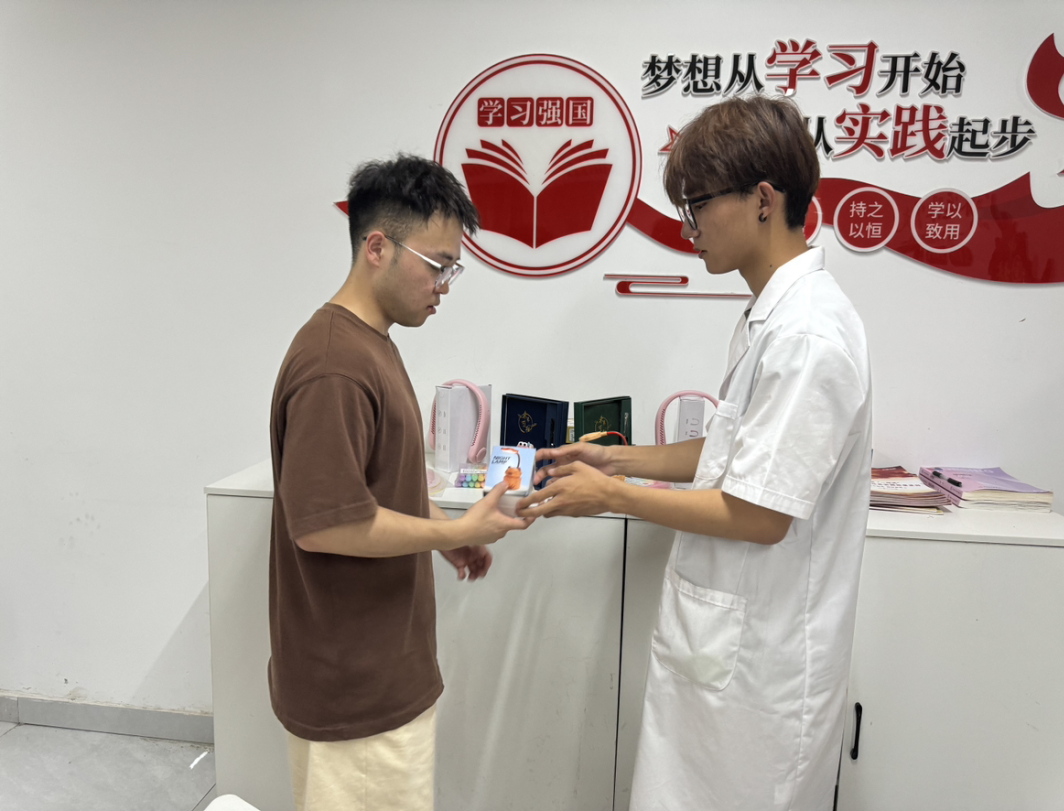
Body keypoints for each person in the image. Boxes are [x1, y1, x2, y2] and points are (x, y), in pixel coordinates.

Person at [517, 95, 872, 810]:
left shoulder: (807, 336)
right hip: (726, 654)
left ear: (763, 200)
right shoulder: (773, 315)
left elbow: (761, 513)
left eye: (699, 205)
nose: (689, 229)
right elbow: (738, 451)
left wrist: (611, 498)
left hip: (761, 674)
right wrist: (617, 461)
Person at [269, 154, 530, 811]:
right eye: (438, 265)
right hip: (355, 690)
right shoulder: (335, 365)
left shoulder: (372, 344)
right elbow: (327, 524)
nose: (445, 285)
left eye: (453, 270)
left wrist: (444, 533)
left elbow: (371, 495)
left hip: (381, 668)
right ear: (377, 247)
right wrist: (458, 527)